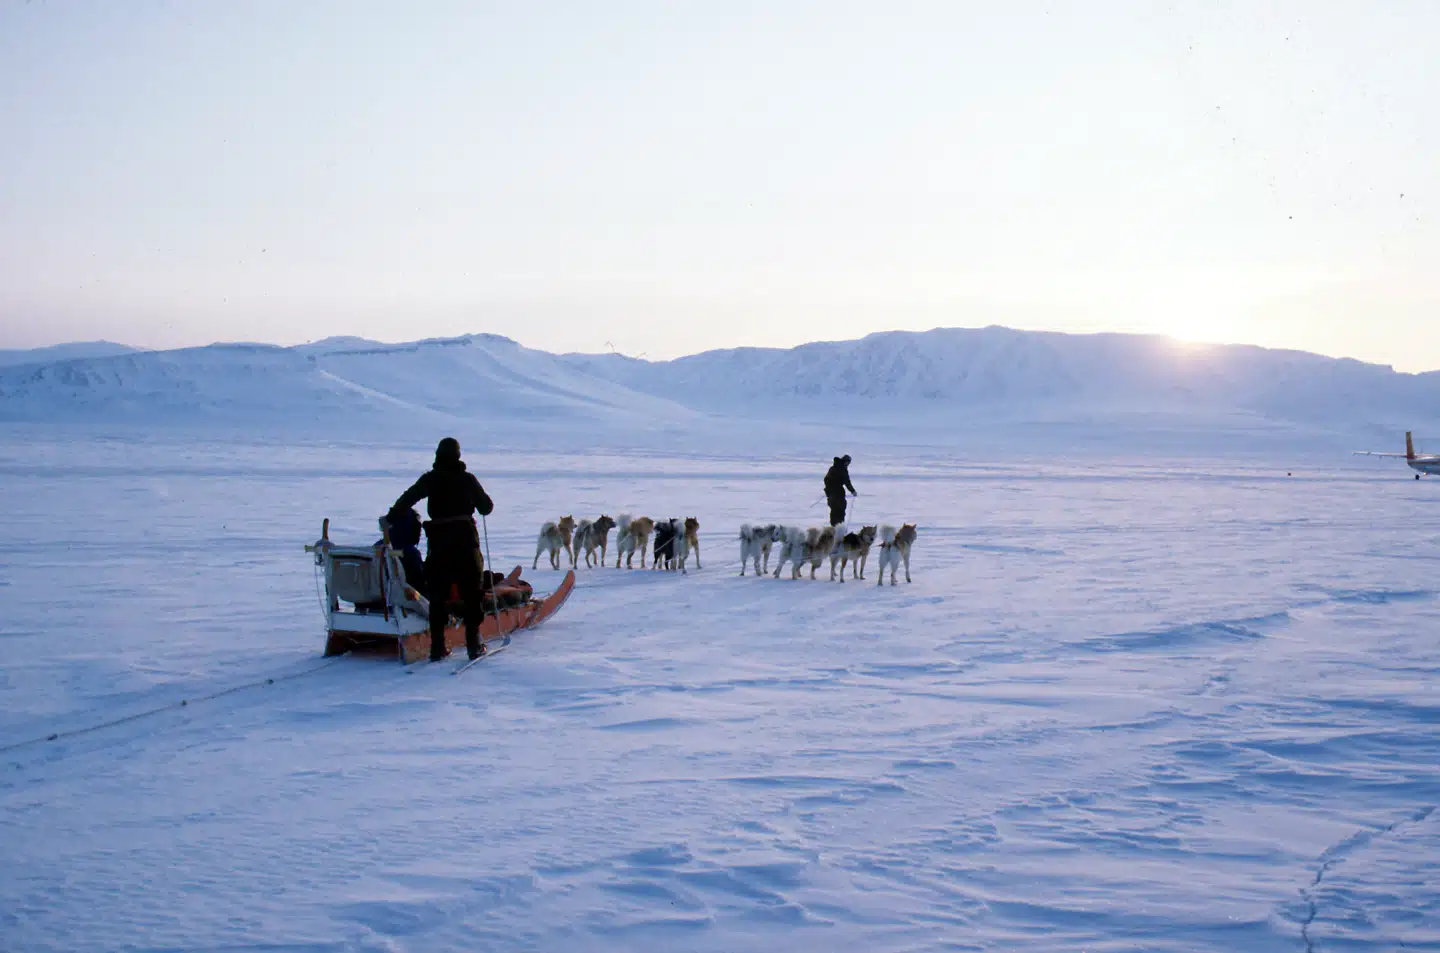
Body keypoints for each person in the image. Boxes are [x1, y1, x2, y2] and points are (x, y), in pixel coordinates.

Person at [389, 437, 494, 661]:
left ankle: (437, 648)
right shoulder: (467, 479)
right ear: (458, 456)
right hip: (465, 542)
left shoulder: (431, 479)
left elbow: (407, 499)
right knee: (472, 593)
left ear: (438, 455)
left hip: (439, 545)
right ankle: (473, 645)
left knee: (437, 596)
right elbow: (486, 507)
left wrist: (392, 516)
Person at [824, 454, 857, 526]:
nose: (848, 464)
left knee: (834, 511)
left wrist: (828, 489)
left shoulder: (833, 468)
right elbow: (847, 482)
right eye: (848, 462)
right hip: (837, 493)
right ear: (845, 461)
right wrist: (853, 491)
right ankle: (839, 527)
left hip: (831, 493)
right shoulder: (842, 470)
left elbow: (826, 479)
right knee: (840, 510)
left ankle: (834, 527)